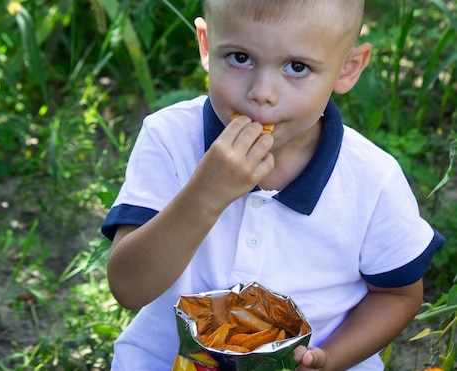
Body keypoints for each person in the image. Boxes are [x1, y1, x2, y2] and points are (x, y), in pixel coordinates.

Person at [101, 0, 445, 369]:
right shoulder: (169, 139)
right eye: (239, 57)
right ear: (205, 45)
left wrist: (333, 359)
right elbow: (129, 288)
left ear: (347, 69)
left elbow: (397, 295)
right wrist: (205, 195)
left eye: (297, 67)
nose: (262, 92)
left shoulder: (370, 179)